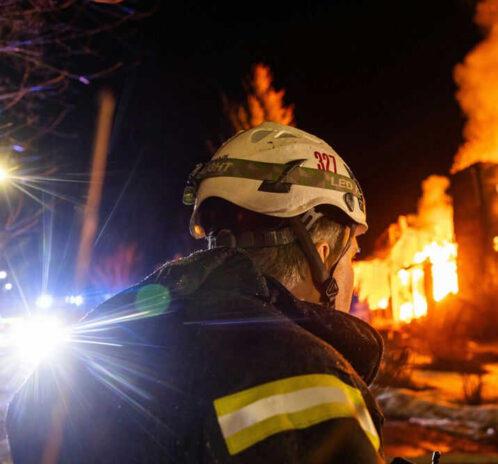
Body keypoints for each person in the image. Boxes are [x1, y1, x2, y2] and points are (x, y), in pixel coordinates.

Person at [7, 122, 386, 463]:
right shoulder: (309, 378)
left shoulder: (84, 353)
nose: (352, 274)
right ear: (322, 255)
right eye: (352, 254)